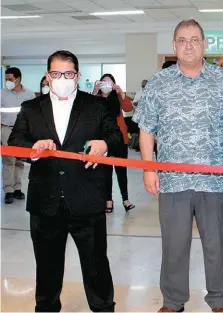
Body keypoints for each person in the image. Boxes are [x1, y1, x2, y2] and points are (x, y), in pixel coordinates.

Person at [133, 19, 223, 312]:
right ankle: (172, 301)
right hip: (172, 181)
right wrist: (148, 168)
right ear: (174, 45)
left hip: (214, 179)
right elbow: (146, 129)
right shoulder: (159, 83)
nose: (189, 45)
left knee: (217, 244)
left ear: (205, 44)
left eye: (195, 39)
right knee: (174, 245)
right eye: (182, 40)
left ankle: (220, 301)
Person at [8, 50, 122, 312]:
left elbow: (116, 137)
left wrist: (104, 144)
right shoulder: (31, 108)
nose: (62, 78)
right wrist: (34, 147)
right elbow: (15, 142)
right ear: (48, 76)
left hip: (87, 199)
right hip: (44, 201)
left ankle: (103, 307)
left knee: (96, 265)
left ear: (78, 76)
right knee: (46, 267)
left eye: (68, 74)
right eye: (56, 73)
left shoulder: (96, 106)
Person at [93, 73, 136, 213]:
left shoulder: (117, 97)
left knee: (121, 171)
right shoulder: (96, 99)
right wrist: (94, 92)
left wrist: (122, 94)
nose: (106, 85)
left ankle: (125, 200)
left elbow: (129, 109)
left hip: (119, 139)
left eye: (110, 82)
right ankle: (108, 200)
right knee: (105, 172)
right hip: (103, 140)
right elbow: (89, 112)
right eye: (103, 82)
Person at [1, 67, 35, 204]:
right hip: (6, 130)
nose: (8, 81)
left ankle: (18, 188)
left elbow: (33, 115)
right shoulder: (2, 94)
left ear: (18, 78)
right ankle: (8, 190)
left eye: (10, 79)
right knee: (8, 161)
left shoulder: (30, 94)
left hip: (23, 132)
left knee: (20, 161)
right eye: (6, 79)